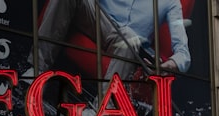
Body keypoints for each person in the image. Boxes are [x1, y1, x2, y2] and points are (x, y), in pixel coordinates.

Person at [31, 0, 191, 78]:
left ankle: (101, 112)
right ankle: (36, 71)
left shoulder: (171, 3)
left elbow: (183, 54)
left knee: (130, 38)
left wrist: (169, 64)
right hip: (100, 21)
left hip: (129, 44)